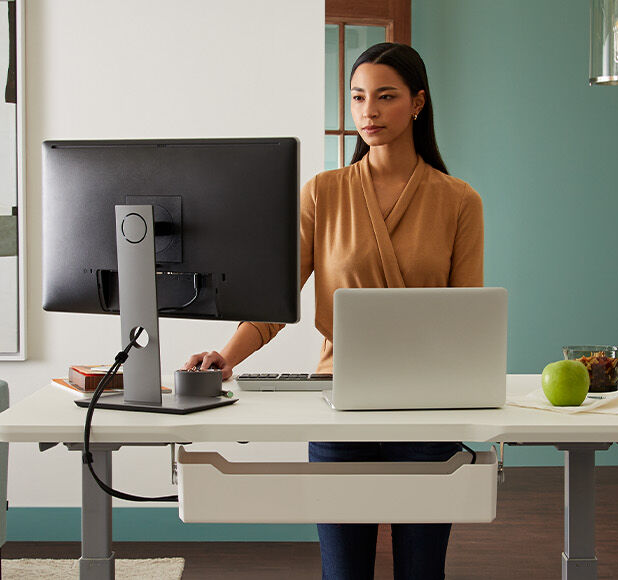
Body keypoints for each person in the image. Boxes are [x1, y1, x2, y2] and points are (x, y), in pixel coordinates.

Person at [184, 42, 484, 579]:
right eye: (358, 97)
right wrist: (226, 357)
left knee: (423, 572)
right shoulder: (323, 192)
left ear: (418, 103)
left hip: (429, 407)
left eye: (386, 97)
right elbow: (274, 302)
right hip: (338, 399)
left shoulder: (460, 201)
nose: (368, 111)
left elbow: (468, 318)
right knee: (343, 571)